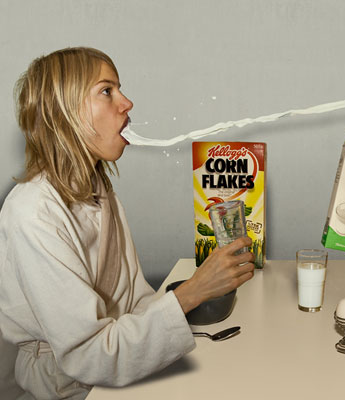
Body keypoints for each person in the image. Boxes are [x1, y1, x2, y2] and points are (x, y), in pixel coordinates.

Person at [0, 47, 255, 399]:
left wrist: (201, 293)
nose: (127, 103)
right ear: (63, 113)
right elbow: (88, 356)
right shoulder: (33, 213)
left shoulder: (98, 190)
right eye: (107, 91)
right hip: (62, 387)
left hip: (115, 367)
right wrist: (193, 291)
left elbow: (135, 301)